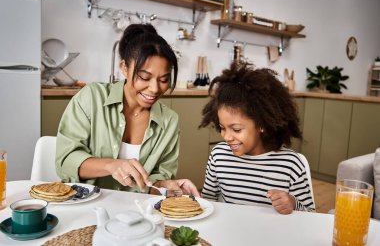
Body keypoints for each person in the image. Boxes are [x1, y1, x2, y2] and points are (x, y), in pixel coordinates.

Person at [55, 24, 199, 196]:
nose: (154, 88)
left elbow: (156, 182)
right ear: (124, 67)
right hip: (86, 206)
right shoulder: (91, 98)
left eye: (164, 79)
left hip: (137, 215)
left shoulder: (169, 121)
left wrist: (166, 185)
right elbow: (65, 162)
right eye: (144, 77)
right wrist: (112, 165)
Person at [199, 62, 315, 214]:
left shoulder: (291, 165)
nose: (226, 137)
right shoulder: (218, 155)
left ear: (262, 124)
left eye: (236, 129)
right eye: (222, 127)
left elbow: (310, 215)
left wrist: (292, 203)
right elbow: (208, 203)